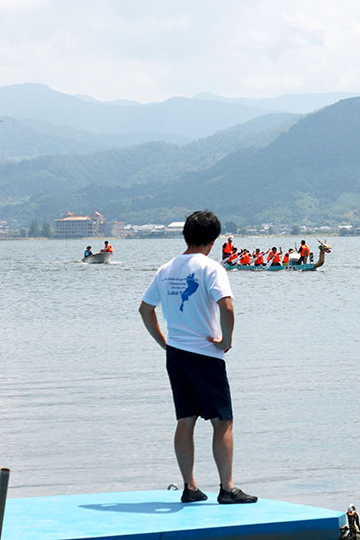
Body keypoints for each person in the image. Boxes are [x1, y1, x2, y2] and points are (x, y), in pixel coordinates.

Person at [138, 210, 257, 505]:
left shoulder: (165, 269)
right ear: (213, 240)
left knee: (185, 419)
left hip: (176, 355)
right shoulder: (210, 268)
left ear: (185, 235)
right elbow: (227, 308)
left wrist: (164, 343)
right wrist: (226, 341)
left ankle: (189, 487)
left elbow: (145, 309)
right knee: (222, 421)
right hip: (205, 354)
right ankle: (227, 488)